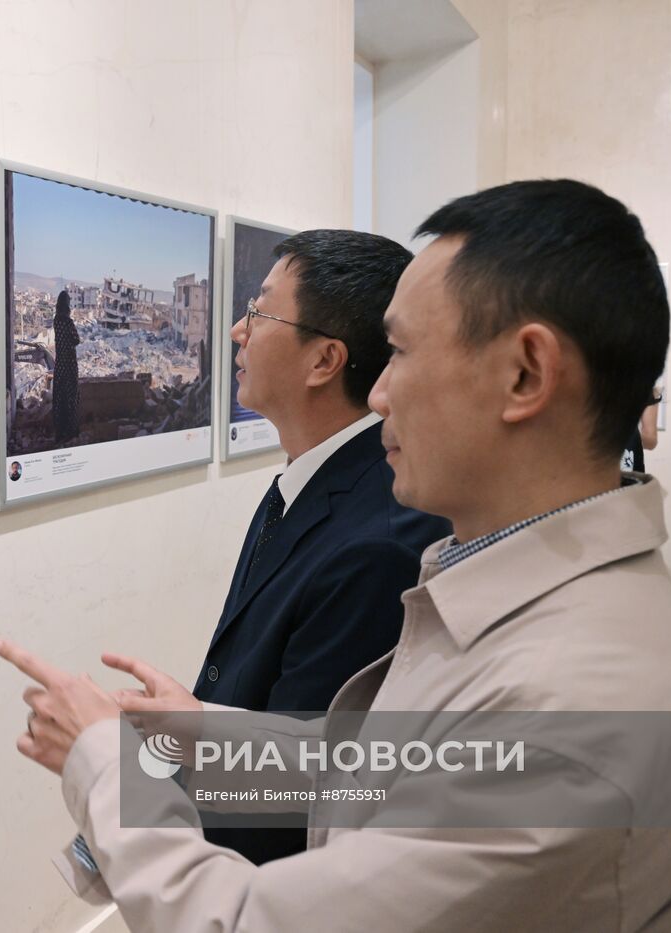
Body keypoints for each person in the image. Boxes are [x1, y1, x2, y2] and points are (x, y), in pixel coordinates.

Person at [0, 180, 671, 931]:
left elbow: (247, 921)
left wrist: (104, 761)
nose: (379, 393)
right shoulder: (534, 596)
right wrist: (201, 739)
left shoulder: (569, 710)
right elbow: (401, 768)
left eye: (402, 352)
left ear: (525, 374)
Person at [198, 229, 448, 864]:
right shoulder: (308, 482)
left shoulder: (380, 543)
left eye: (259, 310)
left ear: (324, 360)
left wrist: (122, 761)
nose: (237, 330)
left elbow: (292, 783)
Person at [51, 290, 81, 445]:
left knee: (60, 395)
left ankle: (59, 430)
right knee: (70, 394)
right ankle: (70, 430)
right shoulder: (68, 322)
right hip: (69, 363)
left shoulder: (56, 320)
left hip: (60, 364)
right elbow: (77, 340)